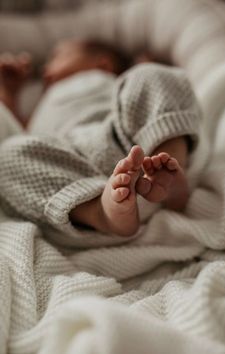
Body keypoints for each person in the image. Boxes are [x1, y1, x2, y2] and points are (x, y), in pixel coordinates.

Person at [0, 40, 201, 238]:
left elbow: (147, 99)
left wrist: (144, 65)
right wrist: (8, 91)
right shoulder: (42, 103)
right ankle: (101, 211)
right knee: (8, 152)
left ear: (103, 64)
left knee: (152, 74)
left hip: (127, 140)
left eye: (58, 57)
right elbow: (13, 127)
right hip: (68, 162)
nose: (45, 69)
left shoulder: (112, 80)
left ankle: (165, 169)